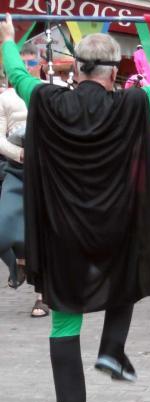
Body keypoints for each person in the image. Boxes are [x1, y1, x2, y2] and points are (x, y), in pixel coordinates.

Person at [1, 14, 150, 402]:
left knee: (63, 322)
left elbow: (17, 75)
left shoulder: (46, 99)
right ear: (113, 73)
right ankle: (112, 348)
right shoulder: (133, 103)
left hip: (62, 232)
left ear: (76, 69)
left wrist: (7, 39)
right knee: (129, 272)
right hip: (115, 229)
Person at [0, 43, 46, 315]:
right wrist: (19, 155)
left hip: (48, 171)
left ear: (40, 63)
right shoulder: (5, 98)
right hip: (16, 169)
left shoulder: (51, 89)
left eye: (31, 63)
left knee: (45, 234)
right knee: (4, 228)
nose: (27, 68)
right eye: (22, 64)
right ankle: (17, 262)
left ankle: (42, 296)